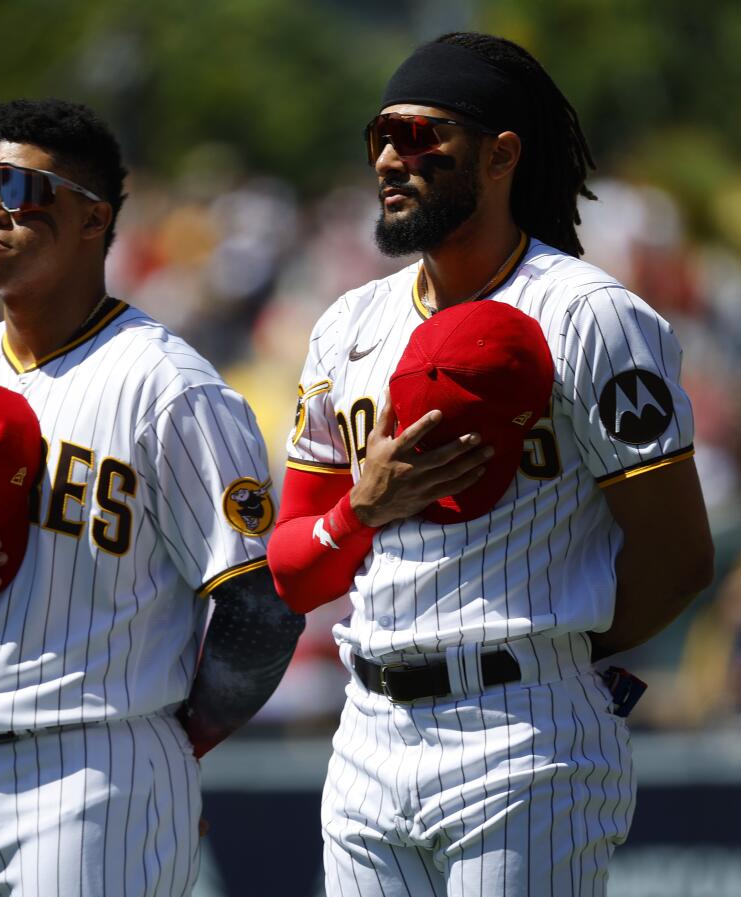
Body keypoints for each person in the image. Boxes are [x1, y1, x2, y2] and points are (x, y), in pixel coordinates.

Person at [268, 32, 714, 897]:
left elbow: (680, 555)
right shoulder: (345, 326)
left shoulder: (590, 317)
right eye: (380, 138)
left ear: (502, 153)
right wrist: (363, 508)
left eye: (421, 134)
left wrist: (559, 651)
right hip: (366, 733)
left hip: (526, 731)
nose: (392, 157)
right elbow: (293, 572)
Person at [0, 98, 304, 897]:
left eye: (23, 189)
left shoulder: (171, 388)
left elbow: (259, 610)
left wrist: (173, 747)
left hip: (94, 769)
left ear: (94, 220)